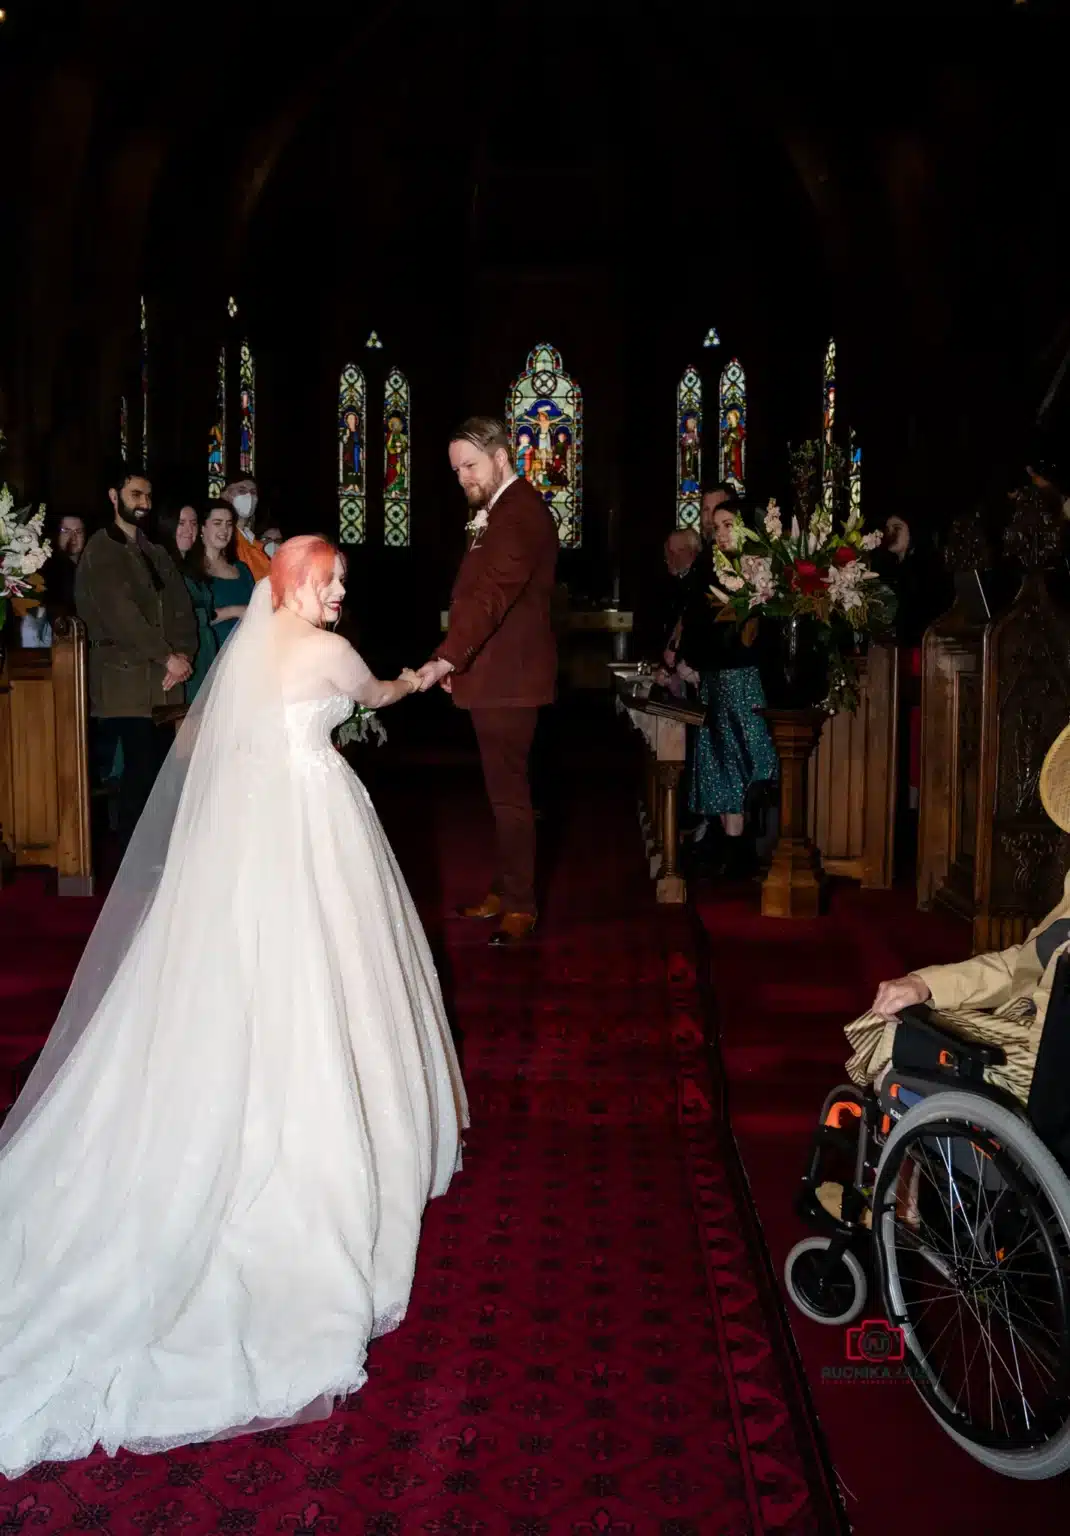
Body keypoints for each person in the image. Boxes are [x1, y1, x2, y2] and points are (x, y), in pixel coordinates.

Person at [0, 535, 467, 1478]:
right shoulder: (331, 653)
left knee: (255, 966)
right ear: (295, 584)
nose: (340, 595)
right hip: (318, 822)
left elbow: (229, 742)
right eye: (329, 582)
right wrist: (425, 672)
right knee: (332, 969)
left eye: (341, 585)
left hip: (253, 831)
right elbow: (376, 698)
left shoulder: (255, 652)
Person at [844, 717, 1070, 1107]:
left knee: (898, 1053)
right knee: (894, 1013)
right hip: (1026, 1026)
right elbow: (1025, 961)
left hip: (1047, 1070)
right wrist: (925, 983)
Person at [415, 417, 558, 946]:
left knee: (511, 797)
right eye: (455, 470)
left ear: (502, 457)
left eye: (470, 466)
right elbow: (476, 595)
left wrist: (448, 660)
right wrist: (460, 661)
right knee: (501, 792)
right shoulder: (496, 511)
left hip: (511, 678)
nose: (462, 478)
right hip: (492, 670)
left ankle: (521, 904)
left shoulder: (519, 512)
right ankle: (504, 887)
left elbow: (493, 594)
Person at [75, 464, 197, 850]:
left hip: (164, 683)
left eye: (147, 496)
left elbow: (181, 608)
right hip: (125, 683)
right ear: (114, 497)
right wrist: (166, 657)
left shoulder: (154, 550)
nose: (144, 503)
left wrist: (183, 657)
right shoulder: (101, 549)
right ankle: (134, 859)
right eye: (135, 495)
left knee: (163, 773)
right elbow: (120, 614)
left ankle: (158, 852)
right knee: (138, 775)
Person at [676, 499, 777, 877]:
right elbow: (696, 619)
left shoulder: (762, 568)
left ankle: (740, 846)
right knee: (718, 758)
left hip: (744, 679)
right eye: (716, 527)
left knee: (742, 758)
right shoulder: (709, 567)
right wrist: (689, 659)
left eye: (728, 524)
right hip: (715, 681)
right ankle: (725, 841)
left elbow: (757, 634)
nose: (720, 533)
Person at [156, 500, 217, 702]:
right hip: (183, 651)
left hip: (205, 647)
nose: (188, 529)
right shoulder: (161, 567)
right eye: (181, 523)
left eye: (193, 523)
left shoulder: (193, 567)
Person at [190, 500, 255, 647]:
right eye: (217, 523)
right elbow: (189, 617)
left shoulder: (242, 569)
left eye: (229, 524)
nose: (224, 530)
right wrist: (234, 611)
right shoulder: (191, 569)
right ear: (202, 527)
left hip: (244, 650)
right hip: (210, 651)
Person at [222, 477, 272, 582]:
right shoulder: (224, 538)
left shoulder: (254, 541)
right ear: (226, 495)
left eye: (253, 492)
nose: (249, 496)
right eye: (242, 490)